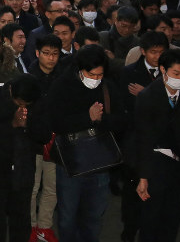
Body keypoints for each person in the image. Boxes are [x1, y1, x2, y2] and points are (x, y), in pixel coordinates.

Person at [49, 44, 127, 242]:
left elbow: (122, 121)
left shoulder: (108, 87)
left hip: (100, 161)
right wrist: (88, 118)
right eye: (91, 75)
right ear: (79, 70)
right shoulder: (62, 86)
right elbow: (55, 122)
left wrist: (101, 120)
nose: (95, 80)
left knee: (94, 215)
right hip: (70, 163)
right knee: (68, 216)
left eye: (99, 75)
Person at [0, 75, 49, 242]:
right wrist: (12, 125)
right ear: (11, 93)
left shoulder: (38, 100)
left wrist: (27, 124)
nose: (23, 107)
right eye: (19, 104)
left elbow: (44, 134)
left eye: (27, 105)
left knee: (22, 219)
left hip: (24, 169)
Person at [133, 49, 180, 242]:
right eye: (176, 74)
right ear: (163, 69)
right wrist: (143, 177)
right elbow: (142, 139)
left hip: (178, 166)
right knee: (151, 219)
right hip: (155, 165)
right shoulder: (148, 96)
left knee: (172, 218)